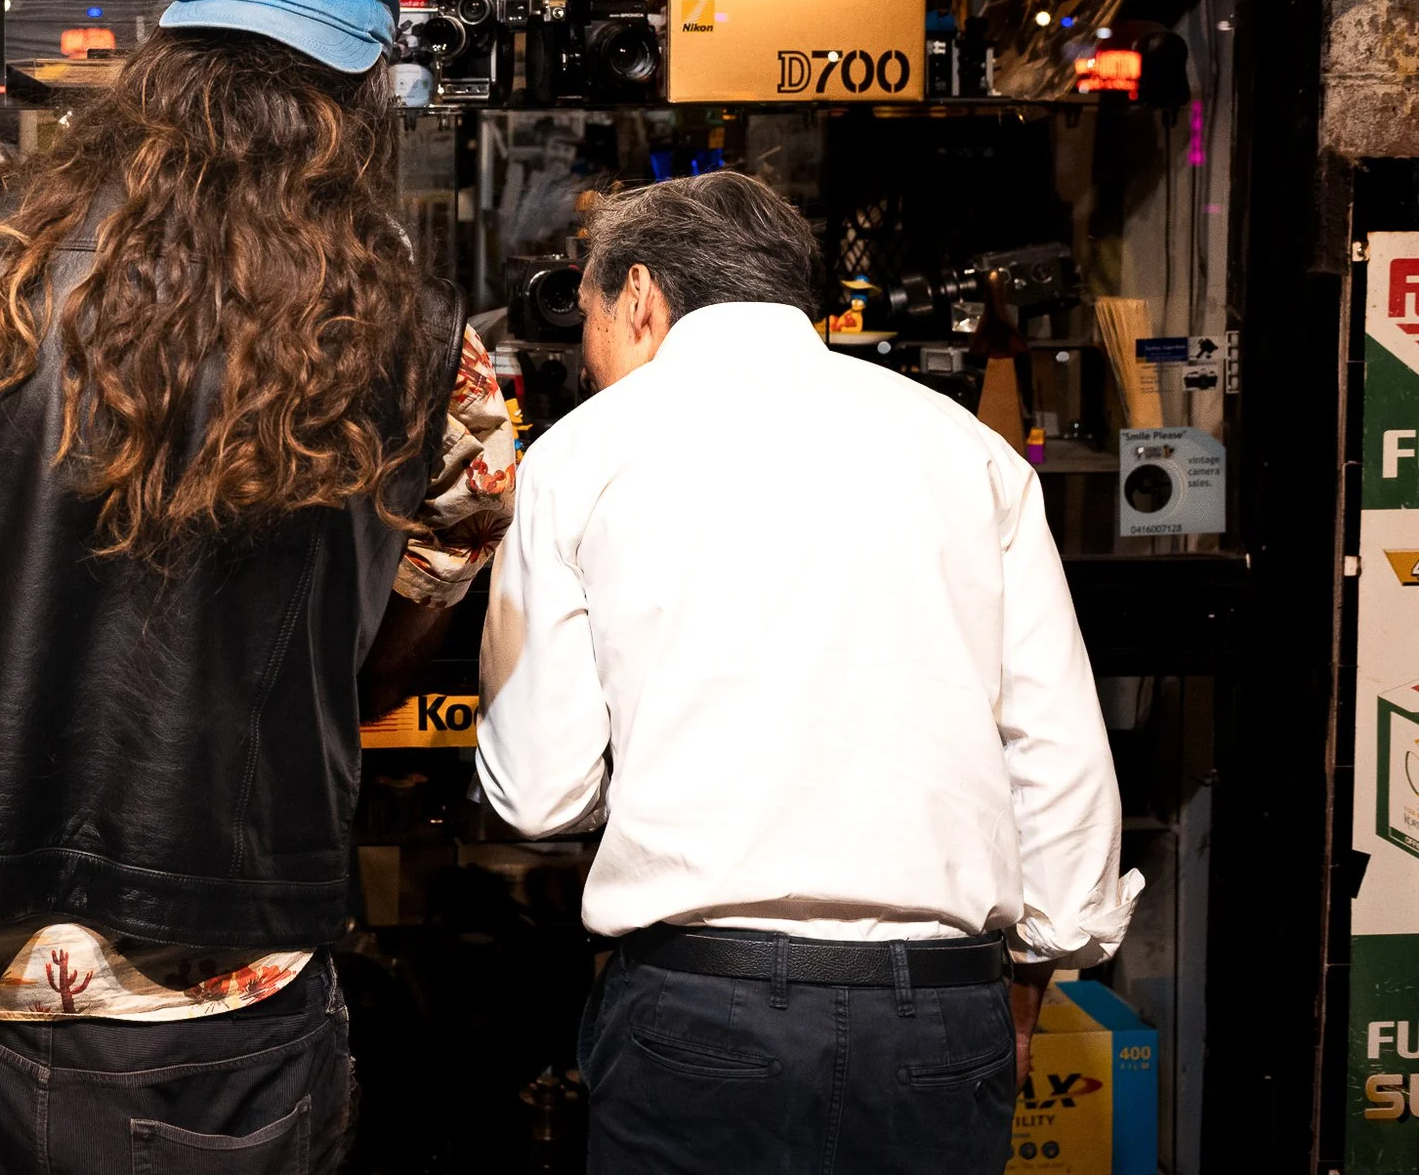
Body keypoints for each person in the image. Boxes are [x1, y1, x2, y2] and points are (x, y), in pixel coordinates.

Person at [0, 0, 516, 1174]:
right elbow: (409, 619)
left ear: (159, 59)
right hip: (218, 976)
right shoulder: (421, 340)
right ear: (358, 106)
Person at [476, 170, 1142, 1174]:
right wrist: (1033, 974)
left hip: (701, 1007)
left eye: (589, 319)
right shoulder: (969, 453)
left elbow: (538, 792)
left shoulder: (580, 458)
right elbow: (1053, 745)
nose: (586, 355)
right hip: (939, 1010)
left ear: (642, 296)